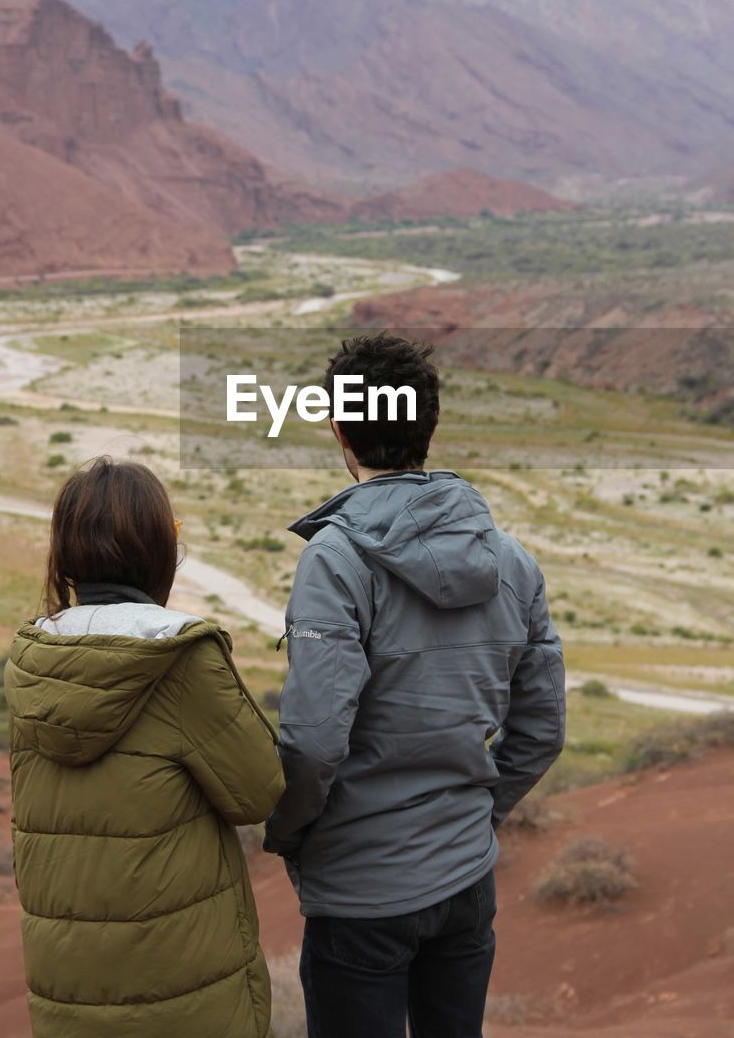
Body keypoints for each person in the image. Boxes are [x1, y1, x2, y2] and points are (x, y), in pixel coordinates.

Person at [263, 334, 566, 1038]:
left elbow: (311, 742)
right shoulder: (511, 561)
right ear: (426, 425)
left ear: (339, 430)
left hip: (361, 893)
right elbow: (542, 729)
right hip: (465, 882)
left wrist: (292, 831)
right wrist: (476, 816)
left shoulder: (336, 559)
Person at [4, 456, 284, 1038]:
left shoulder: (31, 663)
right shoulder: (180, 658)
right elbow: (260, 792)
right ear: (158, 548)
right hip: (183, 989)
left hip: (67, 988)